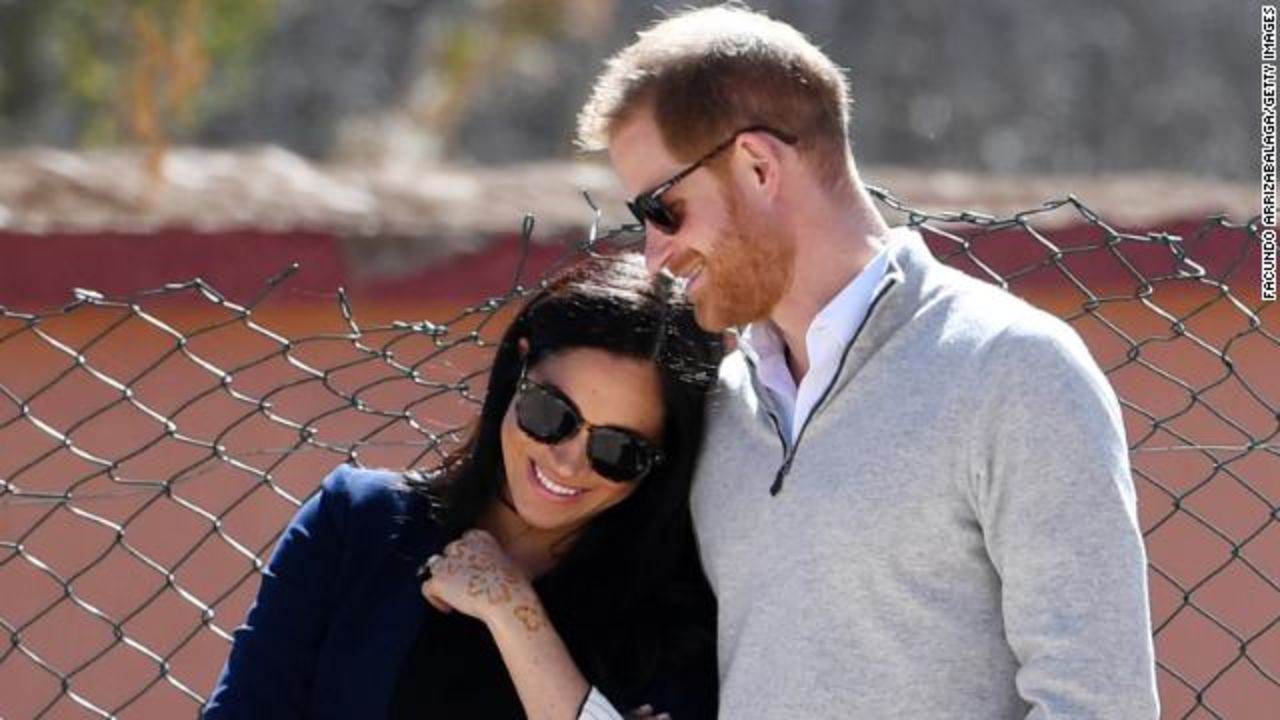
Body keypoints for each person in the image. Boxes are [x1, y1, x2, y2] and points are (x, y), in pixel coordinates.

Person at [577, 4, 1160, 718]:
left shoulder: (1014, 370)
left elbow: (1099, 704)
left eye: (663, 209)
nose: (654, 253)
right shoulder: (722, 404)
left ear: (759, 166)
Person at [203, 254, 724, 719]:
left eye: (619, 451)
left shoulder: (674, 629)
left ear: (662, 462)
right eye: (551, 414)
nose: (568, 463)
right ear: (516, 370)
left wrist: (511, 611)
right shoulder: (357, 523)